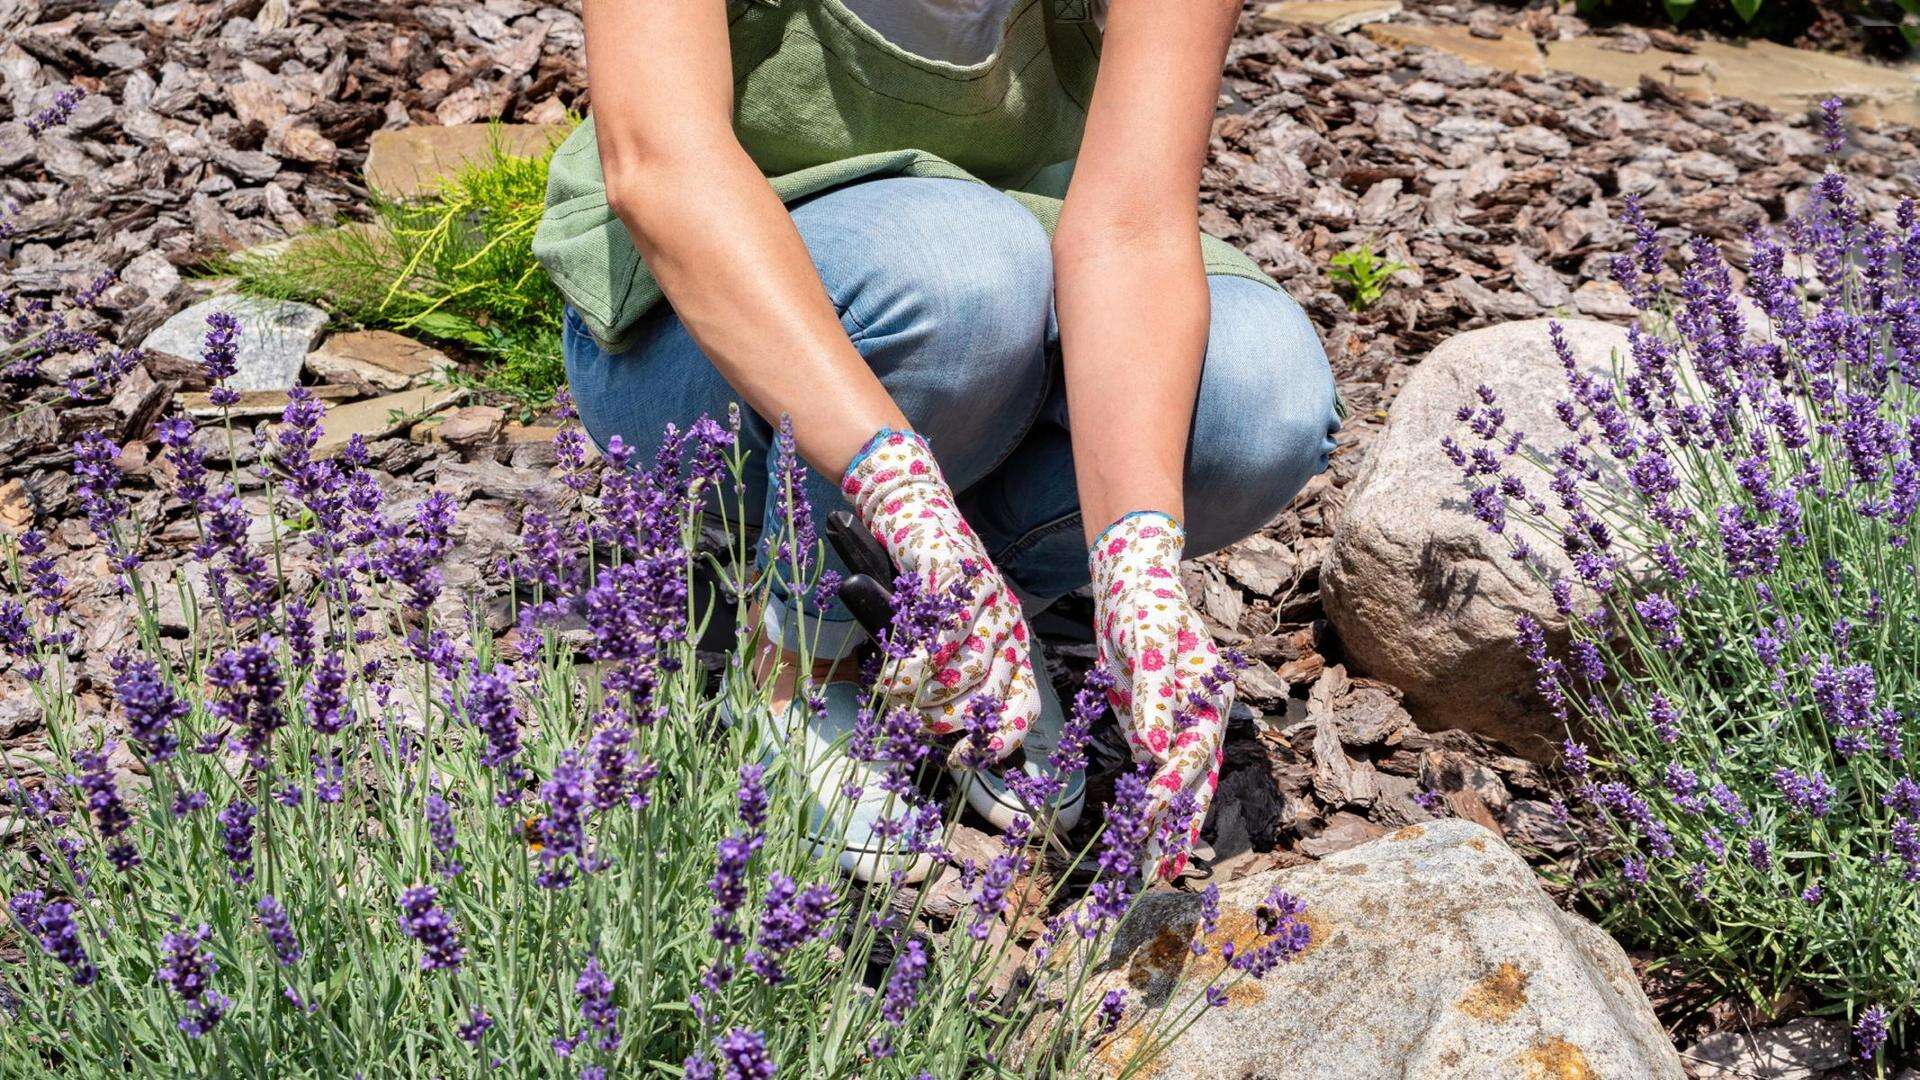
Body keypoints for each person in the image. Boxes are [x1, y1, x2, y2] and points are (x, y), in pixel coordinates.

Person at [535, 0, 1338, 883]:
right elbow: (662, 166)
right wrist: (895, 484)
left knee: (1259, 397)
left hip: (998, 263)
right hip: (697, 323)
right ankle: (805, 653)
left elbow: (1131, 226)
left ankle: (971, 610)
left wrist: (1135, 565)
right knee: (965, 278)